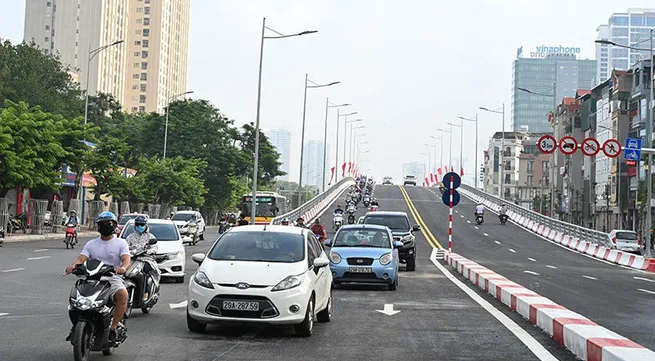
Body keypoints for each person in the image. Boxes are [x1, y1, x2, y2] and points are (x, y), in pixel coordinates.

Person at [65, 211, 130, 343]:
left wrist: (123, 268)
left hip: (112, 278)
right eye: (102, 224)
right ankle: (75, 327)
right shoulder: (91, 244)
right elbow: (82, 258)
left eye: (109, 223)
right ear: (98, 226)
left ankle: (113, 327)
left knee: (123, 295)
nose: (106, 226)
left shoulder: (121, 243)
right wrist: (73, 266)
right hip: (91, 278)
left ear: (114, 225)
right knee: (75, 302)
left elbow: (126, 259)